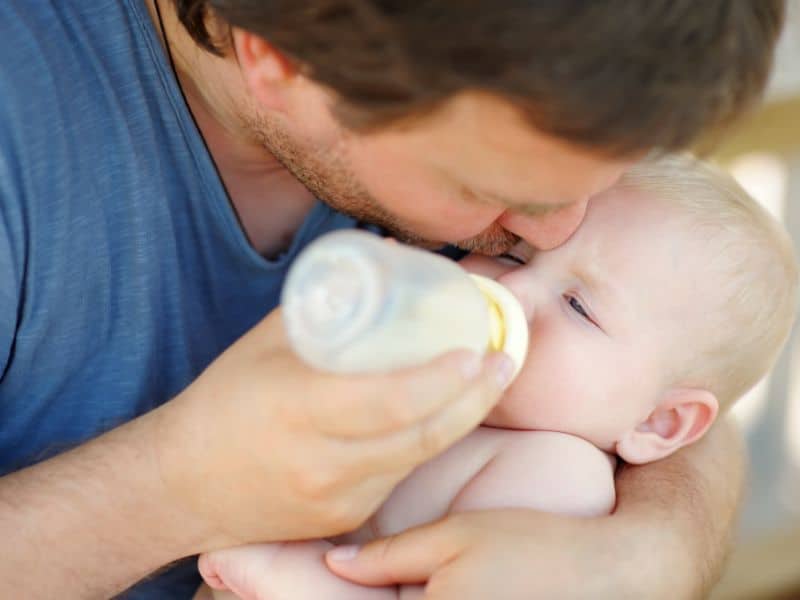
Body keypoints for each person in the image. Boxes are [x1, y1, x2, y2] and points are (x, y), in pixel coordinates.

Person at [0, 1, 785, 597]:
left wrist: (649, 553)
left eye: (601, 181)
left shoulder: (538, 73)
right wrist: (173, 490)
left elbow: (686, 352)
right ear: (282, 59)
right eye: (493, 194)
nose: (553, 233)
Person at [194, 154, 799, 599]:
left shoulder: (558, 478)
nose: (510, 288)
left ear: (659, 422)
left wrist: (283, 571)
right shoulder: (440, 374)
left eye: (579, 307)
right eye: (512, 254)